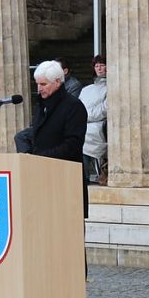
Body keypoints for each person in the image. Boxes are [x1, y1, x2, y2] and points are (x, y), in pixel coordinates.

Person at [25, 59, 88, 216]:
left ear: (58, 82)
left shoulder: (73, 106)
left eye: (43, 84)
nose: (39, 89)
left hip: (65, 178)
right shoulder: (41, 105)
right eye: (37, 84)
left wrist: (40, 157)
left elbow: (73, 144)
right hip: (41, 177)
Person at [79, 55, 108, 182]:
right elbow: (78, 108)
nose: (99, 68)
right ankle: (81, 178)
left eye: (102, 65)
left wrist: (85, 116)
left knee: (85, 135)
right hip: (85, 123)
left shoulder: (112, 88)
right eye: (97, 66)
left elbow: (105, 109)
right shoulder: (86, 90)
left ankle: (85, 177)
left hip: (99, 125)